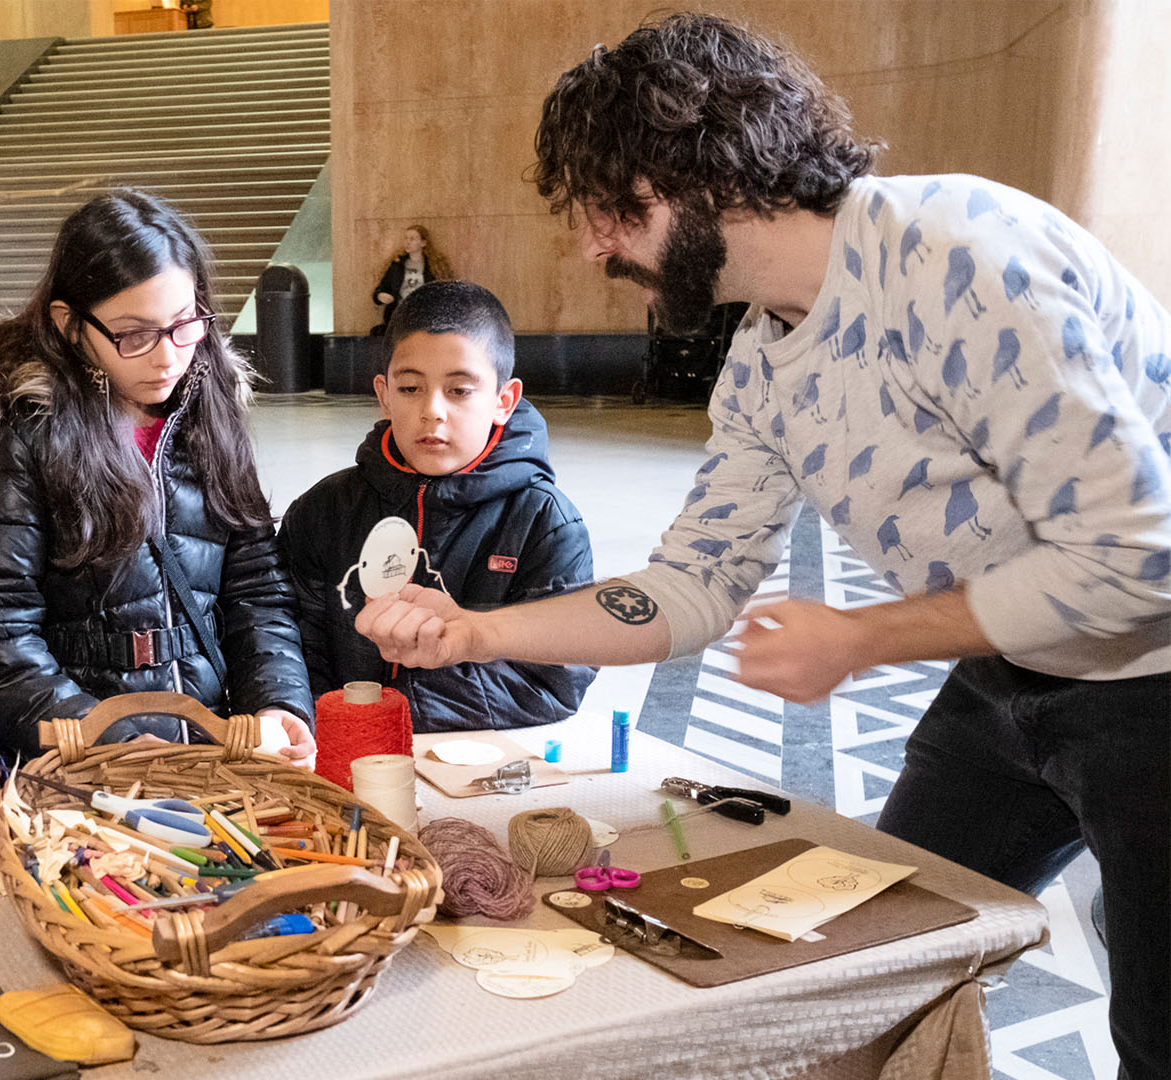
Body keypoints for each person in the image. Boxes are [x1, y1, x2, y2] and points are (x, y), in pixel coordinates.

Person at [356, 14, 1169, 1077]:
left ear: (701, 170)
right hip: (1010, 676)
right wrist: (476, 632)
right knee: (881, 955)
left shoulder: (961, 254)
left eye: (611, 210)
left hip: (1155, 683)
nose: (594, 247)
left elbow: (1136, 555)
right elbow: (690, 587)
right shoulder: (759, 362)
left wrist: (865, 638)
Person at [0, 190, 316, 763]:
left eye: (183, 325)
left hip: (217, 748)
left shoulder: (208, 410)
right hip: (86, 766)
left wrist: (278, 704)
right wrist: (110, 744)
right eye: (134, 334)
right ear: (70, 325)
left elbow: (256, 590)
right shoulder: (23, 437)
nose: (167, 358)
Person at [281, 280, 595, 730]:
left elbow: (553, 683)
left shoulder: (544, 523)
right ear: (384, 393)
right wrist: (328, 719)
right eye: (410, 389)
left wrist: (397, 710)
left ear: (503, 401)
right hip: (341, 750)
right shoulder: (323, 510)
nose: (433, 411)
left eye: (460, 390)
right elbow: (292, 641)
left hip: (469, 764)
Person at [371, 225, 449, 334]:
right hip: (400, 314)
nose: (408, 242)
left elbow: (446, 293)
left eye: (412, 239)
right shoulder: (397, 264)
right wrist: (380, 296)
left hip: (425, 316)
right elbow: (381, 289)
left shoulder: (434, 266)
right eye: (406, 238)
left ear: (423, 243)